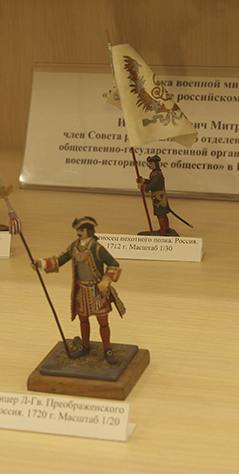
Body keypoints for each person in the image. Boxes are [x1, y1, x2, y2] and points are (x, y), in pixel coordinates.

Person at [34, 217, 125, 364]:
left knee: (103, 321)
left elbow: (114, 264)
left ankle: (107, 349)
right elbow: (60, 259)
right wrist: (42, 263)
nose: (78, 232)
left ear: (89, 231)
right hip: (81, 291)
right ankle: (85, 345)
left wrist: (106, 280)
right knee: (83, 319)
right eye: (77, 230)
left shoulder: (97, 248)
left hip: (96, 291)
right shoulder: (74, 246)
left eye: (81, 230)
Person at [137, 155, 173, 235]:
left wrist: (143, 186)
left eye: (151, 163)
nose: (149, 165)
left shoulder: (157, 175)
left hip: (159, 197)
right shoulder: (154, 174)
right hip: (159, 196)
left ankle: (163, 232)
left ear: (155, 164)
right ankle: (166, 228)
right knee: (163, 213)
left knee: (160, 215)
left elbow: (152, 186)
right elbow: (152, 182)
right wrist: (143, 180)